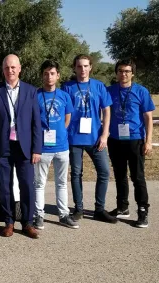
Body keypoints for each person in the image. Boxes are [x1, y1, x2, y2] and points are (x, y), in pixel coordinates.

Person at [0, 54, 42, 239]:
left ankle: (28, 223)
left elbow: (36, 123)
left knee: (27, 186)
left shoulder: (31, 91)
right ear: (3, 70)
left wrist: (37, 148)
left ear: (20, 69)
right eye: (7, 67)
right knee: (6, 186)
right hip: (3, 146)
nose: (10, 71)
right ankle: (8, 222)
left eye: (14, 67)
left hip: (24, 147)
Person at [61, 54, 118, 224]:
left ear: (91, 67)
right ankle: (78, 209)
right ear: (74, 68)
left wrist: (105, 135)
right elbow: (64, 112)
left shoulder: (99, 86)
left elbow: (107, 111)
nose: (83, 69)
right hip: (74, 138)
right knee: (76, 173)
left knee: (104, 172)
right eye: (79, 66)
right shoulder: (67, 87)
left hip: (95, 138)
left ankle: (99, 209)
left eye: (86, 66)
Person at [106, 59, 155, 228]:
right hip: (115, 140)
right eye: (120, 71)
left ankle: (143, 211)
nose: (123, 74)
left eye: (127, 71)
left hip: (135, 140)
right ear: (116, 73)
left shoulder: (141, 91)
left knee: (137, 177)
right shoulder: (110, 91)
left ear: (132, 73)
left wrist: (148, 141)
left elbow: (148, 118)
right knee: (120, 176)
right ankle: (122, 207)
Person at [33, 60, 79, 230]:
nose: (49, 77)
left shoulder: (64, 96)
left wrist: (60, 132)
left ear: (58, 76)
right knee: (39, 183)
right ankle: (39, 215)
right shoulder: (36, 95)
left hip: (62, 147)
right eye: (46, 73)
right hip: (42, 149)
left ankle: (63, 214)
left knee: (61, 183)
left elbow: (67, 118)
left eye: (52, 73)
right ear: (42, 76)